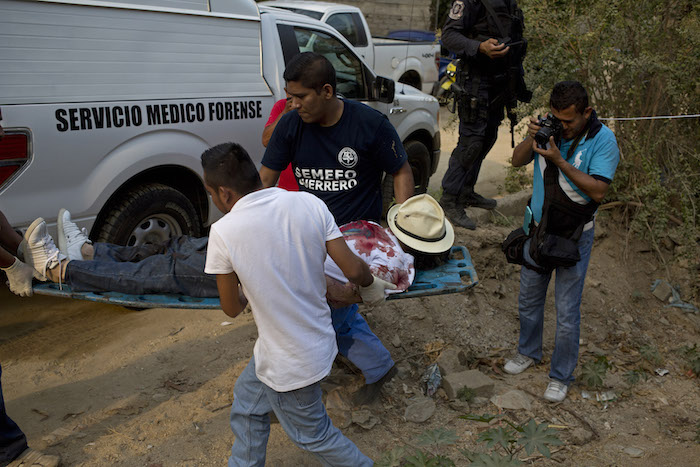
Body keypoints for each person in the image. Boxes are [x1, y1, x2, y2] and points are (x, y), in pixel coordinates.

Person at [201, 142, 389, 466]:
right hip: (310, 343)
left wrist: (251, 284)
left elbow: (231, 308)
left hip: (289, 362)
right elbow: (355, 269)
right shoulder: (307, 203)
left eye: (212, 195)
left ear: (224, 193)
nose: (215, 202)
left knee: (314, 436)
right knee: (247, 406)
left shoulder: (223, 232)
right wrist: (371, 288)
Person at [259, 51, 416, 404]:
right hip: (311, 235)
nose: (292, 104)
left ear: (327, 91)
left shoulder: (369, 124)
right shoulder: (290, 124)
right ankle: (374, 368)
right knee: (318, 308)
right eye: (289, 95)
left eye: (301, 97)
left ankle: (296, 394)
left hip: (359, 238)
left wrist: (403, 224)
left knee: (319, 308)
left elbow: (402, 169)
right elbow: (265, 181)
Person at [503, 81, 619, 402]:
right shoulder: (550, 128)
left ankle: (561, 375)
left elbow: (597, 190)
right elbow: (516, 160)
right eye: (558, 119)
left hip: (574, 235)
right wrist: (533, 135)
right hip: (539, 230)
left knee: (567, 311)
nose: (563, 127)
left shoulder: (603, 140)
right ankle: (528, 351)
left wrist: (558, 159)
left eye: (569, 121)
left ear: (587, 113)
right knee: (528, 299)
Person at [439, 0, 530, 230]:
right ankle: (449, 200)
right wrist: (479, 47)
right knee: (471, 141)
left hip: (499, 83)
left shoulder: (510, 3)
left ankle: (467, 191)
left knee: (488, 137)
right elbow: (449, 35)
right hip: (475, 82)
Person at [261, 95, 298, 191]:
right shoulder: (282, 106)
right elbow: (266, 141)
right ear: (286, 91)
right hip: (287, 191)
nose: (298, 103)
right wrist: (284, 115)